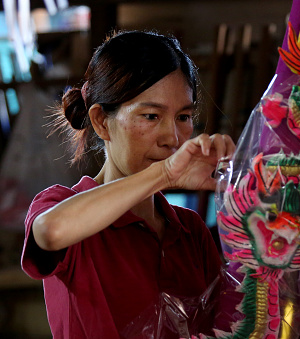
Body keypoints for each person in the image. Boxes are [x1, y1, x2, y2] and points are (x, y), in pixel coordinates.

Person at [21, 30, 235, 338]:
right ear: (101, 121)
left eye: (184, 117)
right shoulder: (61, 206)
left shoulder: (190, 231)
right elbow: (51, 231)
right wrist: (164, 174)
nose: (172, 138)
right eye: (150, 116)